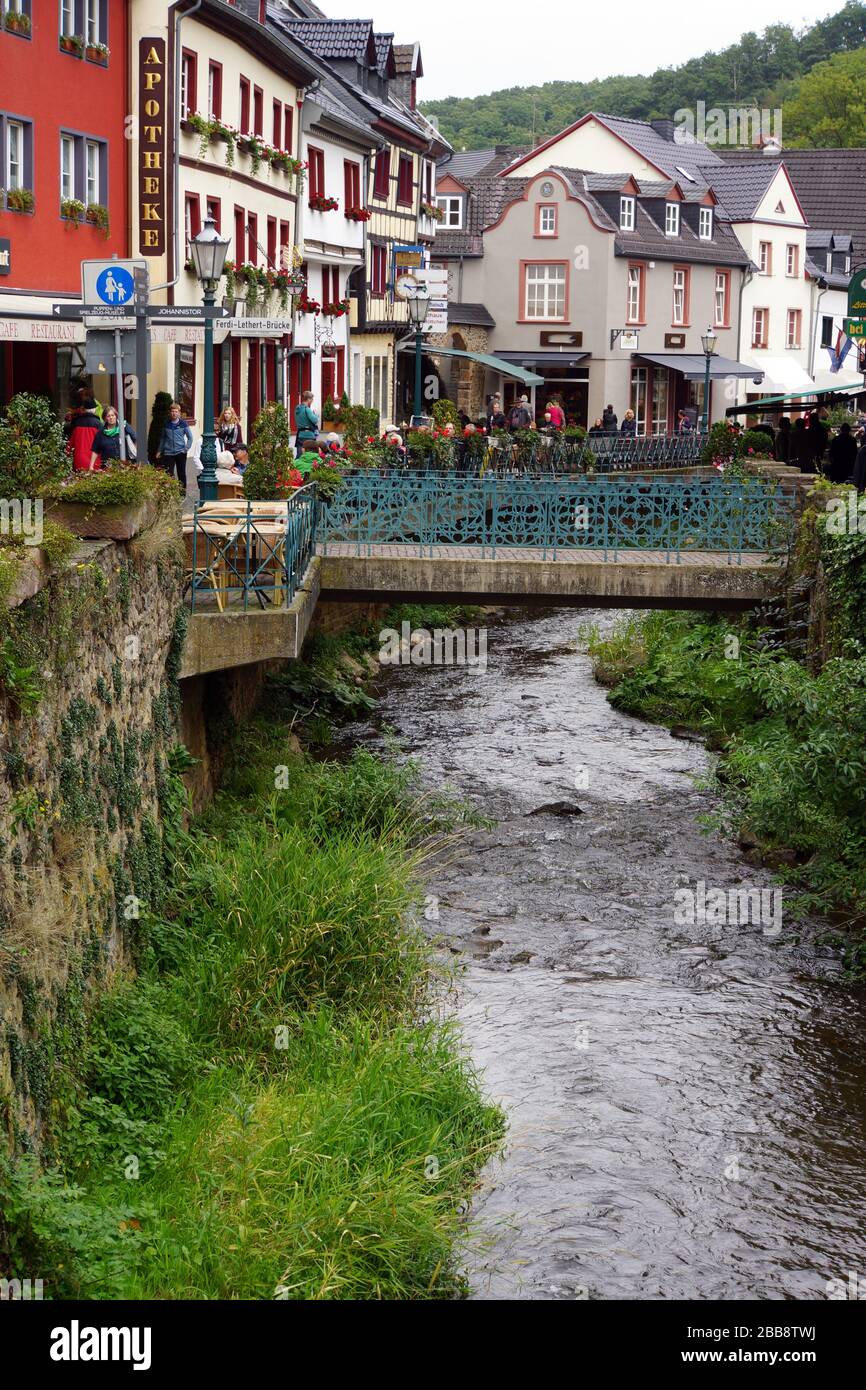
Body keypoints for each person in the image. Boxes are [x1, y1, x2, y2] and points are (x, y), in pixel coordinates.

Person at [155, 401, 193, 486]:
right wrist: (159, 451)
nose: (174, 413)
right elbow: (163, 438)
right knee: (169, 474)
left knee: (181, 474)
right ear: (170, 412)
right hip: (168, 453)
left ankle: (182, 494)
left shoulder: (183, 424)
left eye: (176, 412)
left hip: (181, 452)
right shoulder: (166, 424)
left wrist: (186, 449)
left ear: (179, 413)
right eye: (172, 411)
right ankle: (171, 492)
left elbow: (190, 437)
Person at [67, 402, 103, 471]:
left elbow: (70, 444)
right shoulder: (98, 424)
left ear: (84, 410)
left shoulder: (76, 423)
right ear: (94, 410)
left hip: (79, 460)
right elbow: (102, 443)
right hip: (95, 461)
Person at [294, 390, 319, 458]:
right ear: (308, 399)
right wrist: (316, 415)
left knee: (300, 455)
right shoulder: (307, 409)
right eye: (311, 399)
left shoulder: (297, 408)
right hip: (309, 436)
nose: (312, 401)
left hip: (300, 435)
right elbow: (315, 420)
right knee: (310, 455)